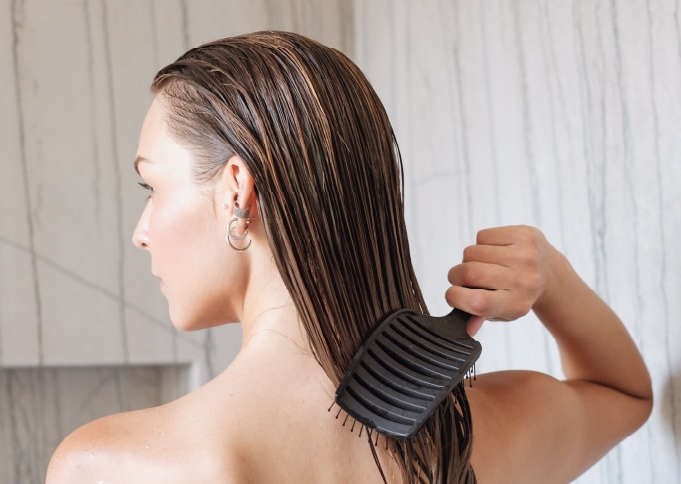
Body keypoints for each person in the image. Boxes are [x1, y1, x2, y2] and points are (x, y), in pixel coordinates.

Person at [45, 31, 652, 483]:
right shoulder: (470, 437)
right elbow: (623, 395)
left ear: (237, 188)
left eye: (152, 187)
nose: (141, 232)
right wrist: (548, 273)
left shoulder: (106, 465)